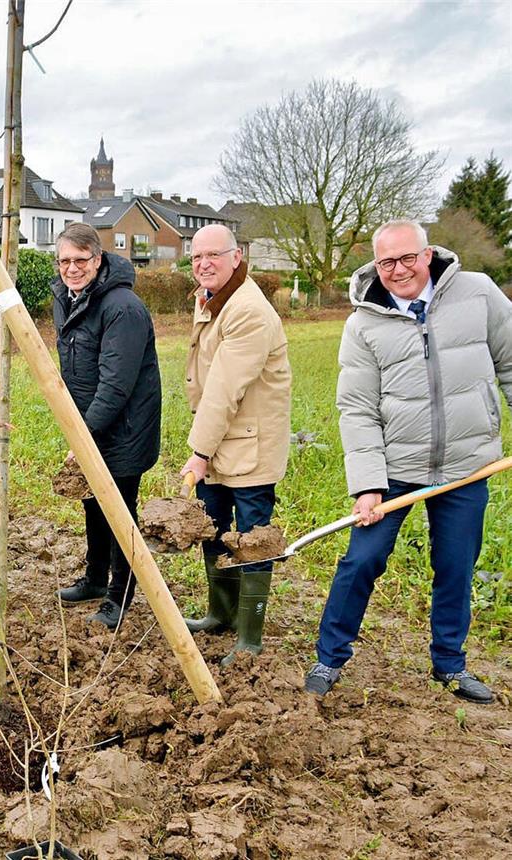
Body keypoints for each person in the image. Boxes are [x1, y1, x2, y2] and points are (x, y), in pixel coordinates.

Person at [304, 220, 512, 704]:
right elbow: (357, 408)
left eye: (407, 258)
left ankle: (450, 665)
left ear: (428, 254)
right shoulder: (364, 323)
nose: (398, 271)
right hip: (395, 470)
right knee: (362, 560)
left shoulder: (477, 294)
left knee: (457, 565)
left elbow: (510, 362)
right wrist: (369, 484)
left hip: (466, 464)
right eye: (386, 262)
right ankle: (329, 657)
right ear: (376, 265)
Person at [180, 224, 291, 665]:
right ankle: (219, 613)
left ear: (237, 257)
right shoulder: (210, 298)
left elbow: (225, 388)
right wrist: (206, 449)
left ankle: (249, 637)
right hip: (221, 439)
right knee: (213, 527)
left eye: (213, 255)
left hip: (249, 447)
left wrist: (199, 453)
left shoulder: (248, 311)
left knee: (250, 539)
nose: (204, 263)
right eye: (196, 257)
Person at [50, 223, 161, 630]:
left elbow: (117, 382)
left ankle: (119, 594)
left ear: (98, 260)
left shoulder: (122, 307)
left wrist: (85, 432)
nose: (72, 269)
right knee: (92, 503)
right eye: (65, 261)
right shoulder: (66, 297)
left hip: (125, 429)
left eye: (81, 260)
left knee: (119, 513)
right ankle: (96, 579)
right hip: (90, 423)